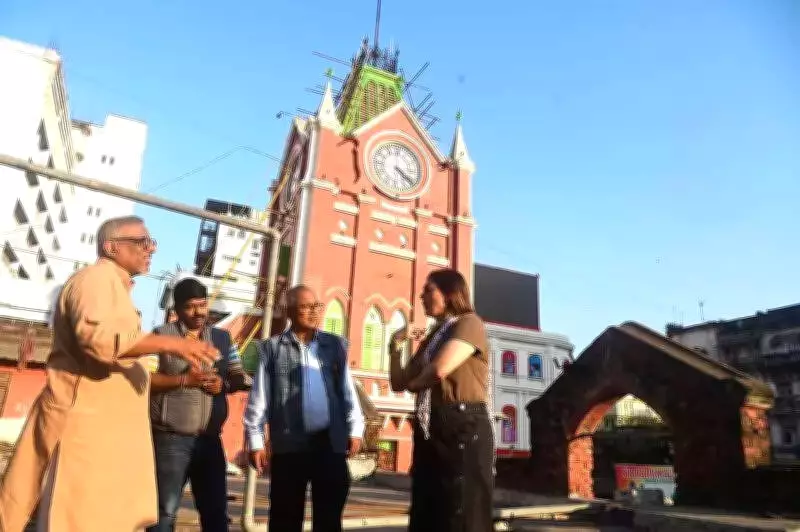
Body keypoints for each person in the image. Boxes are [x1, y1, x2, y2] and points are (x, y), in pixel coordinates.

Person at [0, 216, 219, 532]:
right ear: (111, 247)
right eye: (143, 242)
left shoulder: (114, 286)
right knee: (77, 518)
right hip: (85, 430)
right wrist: (173, 344)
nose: (152, 248)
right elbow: (101, 342)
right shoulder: (95, 280)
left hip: (105, 432)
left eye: (152, 241)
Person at [243, 285, 365, 532]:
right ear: (289, 311)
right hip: (290, 444)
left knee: (329, 517)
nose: (314, 312)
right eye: (306, 306)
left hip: (329, 443)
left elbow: (347, 391)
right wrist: (255, 441)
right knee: (284, 517)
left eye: (317, 306)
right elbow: (260, 398)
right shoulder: (272, 349)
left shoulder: (335, 346)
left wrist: (356, 428)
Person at [389, 269, 494, 532]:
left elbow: (439, 370)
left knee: (461, 512)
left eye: (429, 290)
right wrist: (395, 344)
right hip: (431, 427)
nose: (422, 296)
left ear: (449, 294)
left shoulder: (468, 323)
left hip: (463, 426)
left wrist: (415, 384)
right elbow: (399, 382)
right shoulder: (434, 338)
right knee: (428, 511)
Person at [147, 277, 250, 532]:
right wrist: (184, 380)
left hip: (210, 440)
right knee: (164, 513)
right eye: (191, 307)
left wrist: (223, 385)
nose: (199, 312)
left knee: (215, 513)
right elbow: (145, 380)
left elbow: (239, 376)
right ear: (178, 309)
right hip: (170, 440)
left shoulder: (223, 339)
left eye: (203, 305)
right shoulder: (161, 336)